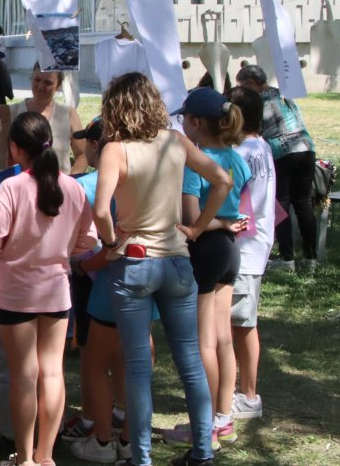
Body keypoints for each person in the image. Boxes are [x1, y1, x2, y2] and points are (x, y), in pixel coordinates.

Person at [93, 72, 230, 466]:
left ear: (115, 107)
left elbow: (101, 210)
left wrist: (110, 242)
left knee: (138, 368)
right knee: (189, 360)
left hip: (134, 262)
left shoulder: (115, 150)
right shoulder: (175, 140)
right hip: (176, 261)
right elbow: (222, 180)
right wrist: (198, 228)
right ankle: (203, 451)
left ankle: (142, 457)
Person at [0, 112, 97, 466]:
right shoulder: (73, 187)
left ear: (15, 148)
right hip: (57, 293)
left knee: (23, 377)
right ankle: (45, 455)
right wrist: (61, 253)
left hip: (15, 294)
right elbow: (88, 239)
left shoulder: (11, 188)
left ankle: (26, 457)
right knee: (52, 372)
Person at [163, 87, 251, 453]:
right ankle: (222, 418)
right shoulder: (238, 158)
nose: (181, 124)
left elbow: (190, 219)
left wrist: (206, 226)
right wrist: (223, 223)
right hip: (231, 253)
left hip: (206, 252)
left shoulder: (194, 163)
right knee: (223, 339)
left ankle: (205, 427)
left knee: (203, 345)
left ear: (196, 123)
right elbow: (233, 215)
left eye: (184, 118)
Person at [66, 118, 135, 465]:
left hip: (98, 278)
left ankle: (98, 429)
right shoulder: (137, 176)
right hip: (140, 274)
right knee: (127, 357)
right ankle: (122, 424)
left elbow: (86, 237)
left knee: (93, 359)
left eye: (87, 143)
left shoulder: (85, 185)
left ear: (97, 145)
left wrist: (83, 265)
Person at [225, 86, 277, 421]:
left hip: (244, 250)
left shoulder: (244, 151)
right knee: (240, 324)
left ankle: (243, 395)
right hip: (252, 249)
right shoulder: (262, 146)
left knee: (238, 325)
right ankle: (237, 392)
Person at [235, 65, 318, 272]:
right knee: (304, 203)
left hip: (283, 152)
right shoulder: (283, 95)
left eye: (243, 85)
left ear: (252, 83)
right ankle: (311, 257)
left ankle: (287, 257)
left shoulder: (260, 101)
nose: (243, 90)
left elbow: (256, 128)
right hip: (306, 149)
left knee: (282, 204)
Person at [9, 62, 87, 174]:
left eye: (48, 83)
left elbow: (83, 154)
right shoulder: (13, 112)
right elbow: (1, 154)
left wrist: (71, 181)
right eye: (37, 80)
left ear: (58, 86)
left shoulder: (68, 114)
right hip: (22, 188)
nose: (40, 86)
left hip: (58, 188)